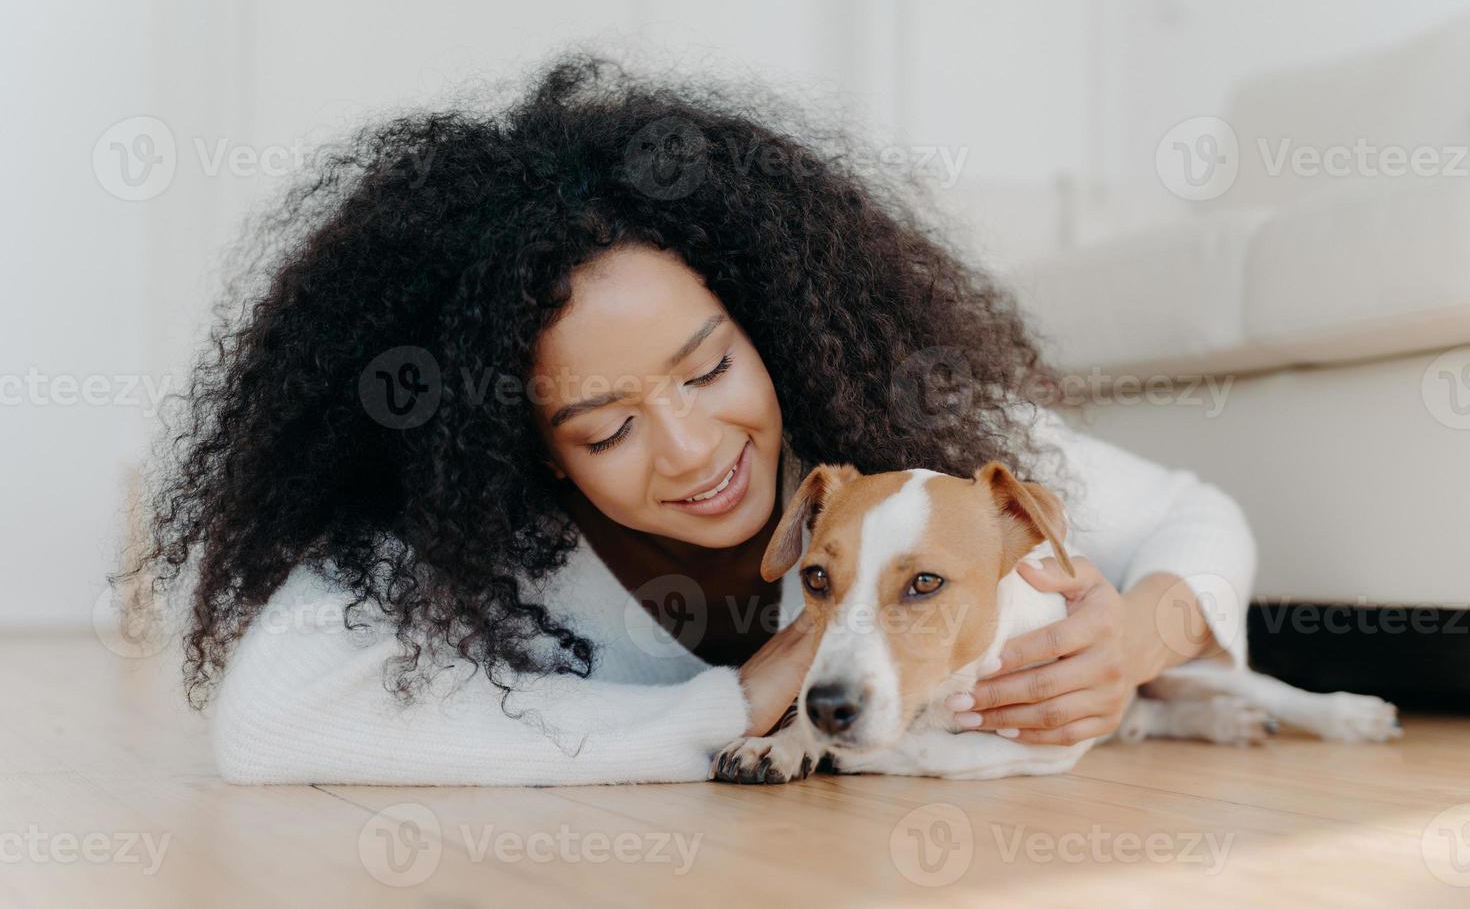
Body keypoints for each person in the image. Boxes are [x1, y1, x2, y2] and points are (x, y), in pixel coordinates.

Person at [116, 55, 1254, 786]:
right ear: (518, 448)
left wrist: (1141, 638)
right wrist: (736, 698)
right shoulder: (495, 544)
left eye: (708, 368)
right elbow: (268, 722)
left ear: (767, 320)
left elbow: (1194, 518)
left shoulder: (902, 449)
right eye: (604, 430)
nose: (695, 450)